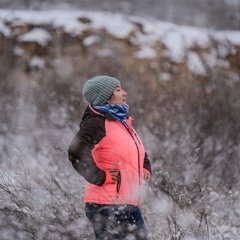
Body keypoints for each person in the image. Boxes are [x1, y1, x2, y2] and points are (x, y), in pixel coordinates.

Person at [68, 76, 152, 240]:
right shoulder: (97, 123)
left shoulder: (122, 122)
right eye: (119, 90)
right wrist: (99, 176)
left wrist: (145, 167)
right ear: (105, 97)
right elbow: (76, 151)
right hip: (106, 205)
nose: (125, 93)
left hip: (129, 203)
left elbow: (138, 151)